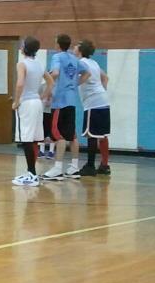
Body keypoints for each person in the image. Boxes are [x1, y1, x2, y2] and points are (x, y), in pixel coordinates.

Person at [12, 36, 54, 187]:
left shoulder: (22, 64)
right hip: (37, 103)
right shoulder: (39, 64)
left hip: (27, 103)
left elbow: (20, 84)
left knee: (26, 139)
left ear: (24, 48)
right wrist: (42, 96)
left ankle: (31, 174)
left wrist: (16, 101)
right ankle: (32, 172)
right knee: (34, 139)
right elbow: (51, 82)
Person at [43, 33, 81, 181]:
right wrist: (74, 85)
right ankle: (74, 168)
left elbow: (56, 73)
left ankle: (57, 169)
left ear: (58, 44)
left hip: (59, 101)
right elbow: (87, 73)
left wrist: (47, 83)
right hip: (71, 100)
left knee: (58, 135)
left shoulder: (57, 57)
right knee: (72, 135)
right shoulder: (74, 58)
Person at [76, 40, 111, 177]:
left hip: (93, 103)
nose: (74, 47)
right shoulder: (94, 63)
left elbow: (87, 75)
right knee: (102, 135)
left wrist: (73, 85)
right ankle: (104, 165)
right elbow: (105, 78)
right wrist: (101, 92)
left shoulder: (81, 62)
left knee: (91, 135)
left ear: (80, 49)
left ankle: (90, 166)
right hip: (103, 101)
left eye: (76, 45)